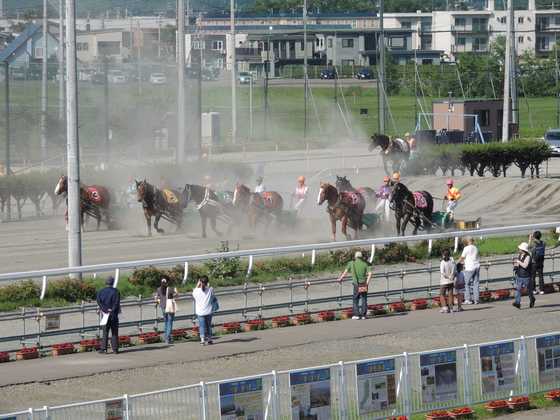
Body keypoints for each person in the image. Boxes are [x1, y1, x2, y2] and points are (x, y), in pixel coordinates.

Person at [337, 251, 373, 320]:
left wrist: (340, 278)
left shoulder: (351, 263)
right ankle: (363, 315)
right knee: (364, 299)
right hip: (363, 284)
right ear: (362, 257)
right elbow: (370, 273)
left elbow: (345, 272)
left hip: (356, 284)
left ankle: (356, 315)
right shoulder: (364, 264)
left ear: (355, 257)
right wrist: (367, 282)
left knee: (355, 299)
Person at [96, 276, 121, 354]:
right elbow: (117, 303)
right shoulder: (116, 292)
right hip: (114, 314)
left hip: (105, 314)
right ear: (113, 283)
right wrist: (112, 310)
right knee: (114, 332)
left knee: (105, 331)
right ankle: (115, 349)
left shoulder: (100, 292)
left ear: (106, 282)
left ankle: (104, 349)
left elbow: (99, 302)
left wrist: (105, 309)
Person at [456, 236, 480, 305]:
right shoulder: (475, 248)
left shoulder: (466, 248)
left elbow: (462, 257)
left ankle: (468, 299)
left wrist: (457, 263)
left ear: (467, 241)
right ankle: (476, 299)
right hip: (477, 266)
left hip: (470, 267)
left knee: (466, 283)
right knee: (476, 283)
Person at [192, 275, 214, 345]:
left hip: (200, 311)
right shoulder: (210, 289)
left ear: (200, 281)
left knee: (202, 326)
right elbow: (213, 296)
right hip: (208, 310)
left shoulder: (196, 290)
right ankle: (209, 339)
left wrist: (197, 285)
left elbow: (193, 295)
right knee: (208, 325)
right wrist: (208, 286)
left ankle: (202, 341)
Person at [512, 242, 536, 309]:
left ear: (523, 249)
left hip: (526, 276)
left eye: (520, 248)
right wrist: (516, 266)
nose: (519, 249)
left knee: (528, 290)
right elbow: (520, 264)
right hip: (519, 275)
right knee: (518, 289)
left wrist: (518, 262)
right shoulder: (520, 255)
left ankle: (532, 299)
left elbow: (525, 265)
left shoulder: (528, 256)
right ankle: (517, 302)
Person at [157, 275, 179, 344]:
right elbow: (177, 296)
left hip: (163, 307)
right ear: (168, 282)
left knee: (165, 322)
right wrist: (176, 291)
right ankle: (167, 339)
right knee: (170, 323)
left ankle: (166, 338)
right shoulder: (170, 289)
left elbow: (158, 297)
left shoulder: (159, 289)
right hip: (169, 307)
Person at [528, 231, 546, 295]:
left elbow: (528, 247)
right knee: (541, 276)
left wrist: (530, 239)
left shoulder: (533, 243)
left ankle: (533, 290)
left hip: (534, 262)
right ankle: (542, 290)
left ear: (534, 236)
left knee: (533, 276)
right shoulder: (543, 243)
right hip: (541, 262)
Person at [439, 249, 455, 313]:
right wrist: (452, 276)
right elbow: (455, 269)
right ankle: (451, 308)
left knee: (442, 294)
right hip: (451, 280)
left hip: (444, 281)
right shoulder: (452, 261)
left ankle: (444, 307)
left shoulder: (442, 263)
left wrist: (448, 276)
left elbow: (442, 272)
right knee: (450, 294)